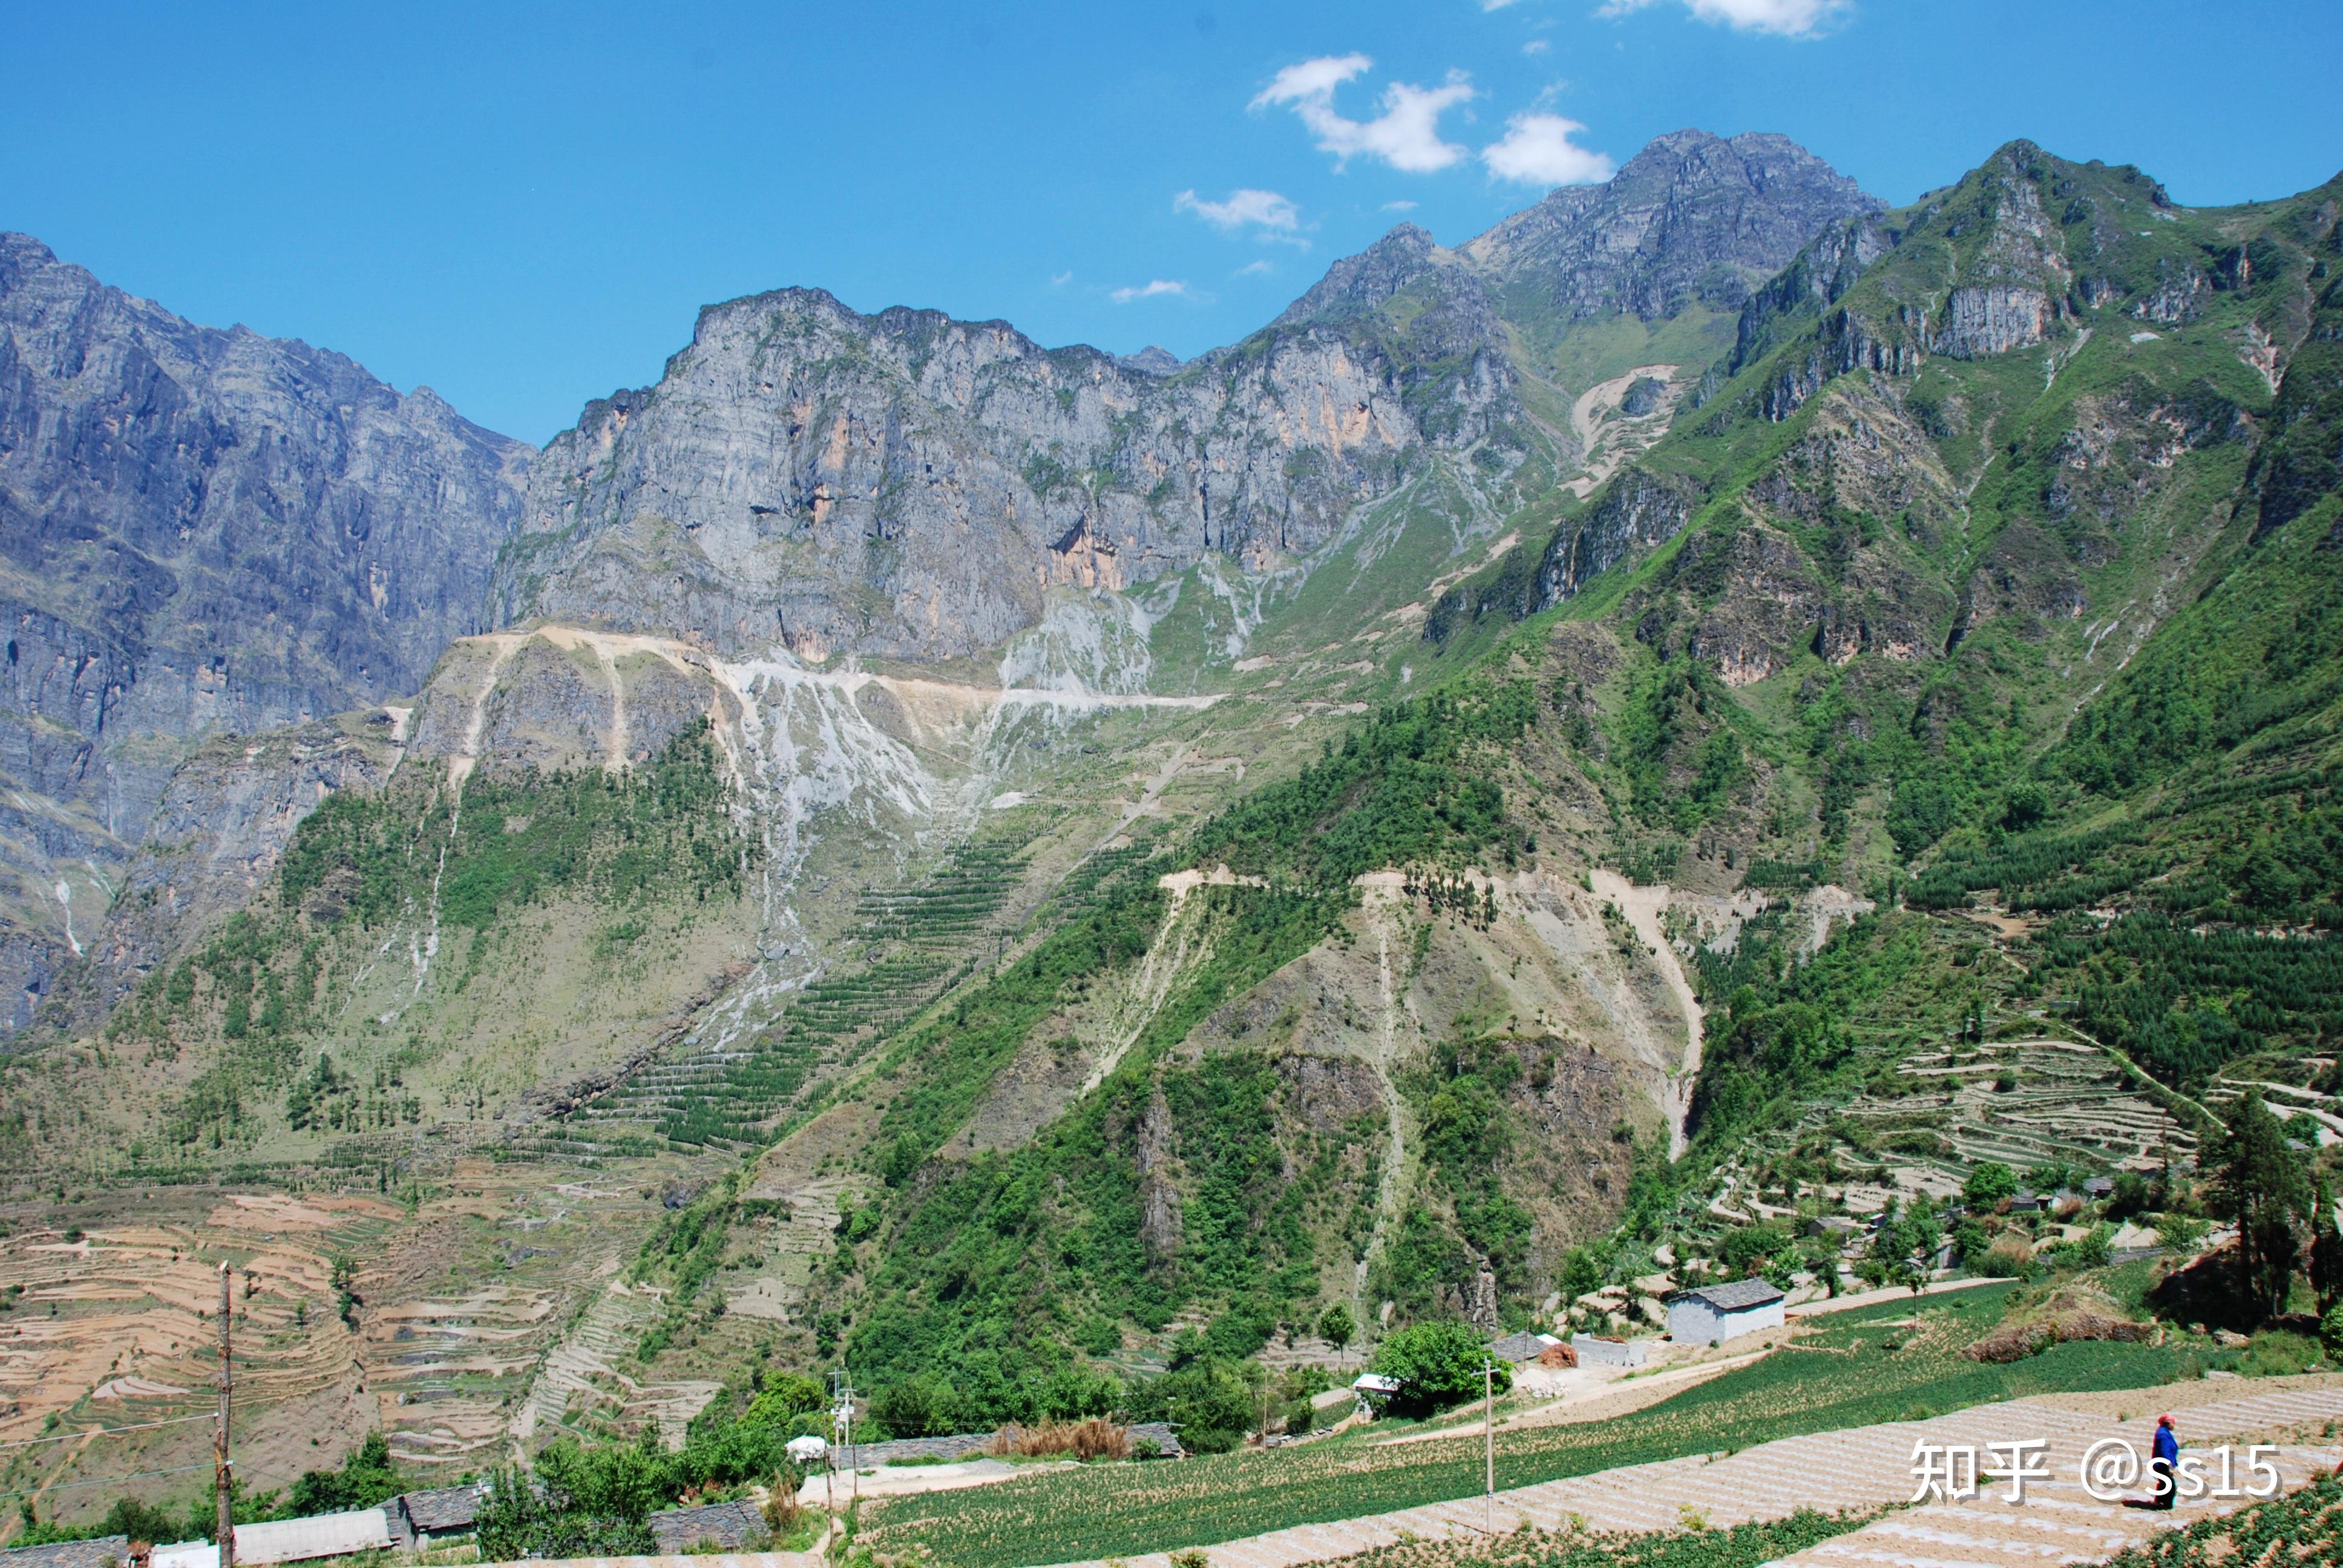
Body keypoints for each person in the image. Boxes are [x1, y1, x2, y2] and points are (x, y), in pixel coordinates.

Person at [2151, 1413, 2179, 1511]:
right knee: (2170, 1486)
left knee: (2164, 1483)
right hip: (2162, 1465)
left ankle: (2158, 1502)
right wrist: (2170, 1466)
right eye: (2174, 1423)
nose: (2174, 1426)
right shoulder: (2163, 1434)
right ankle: (2166, 1506)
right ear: (2169, 1423)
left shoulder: (2163, 1432)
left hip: (2161, 1464)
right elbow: (2165, 1451)